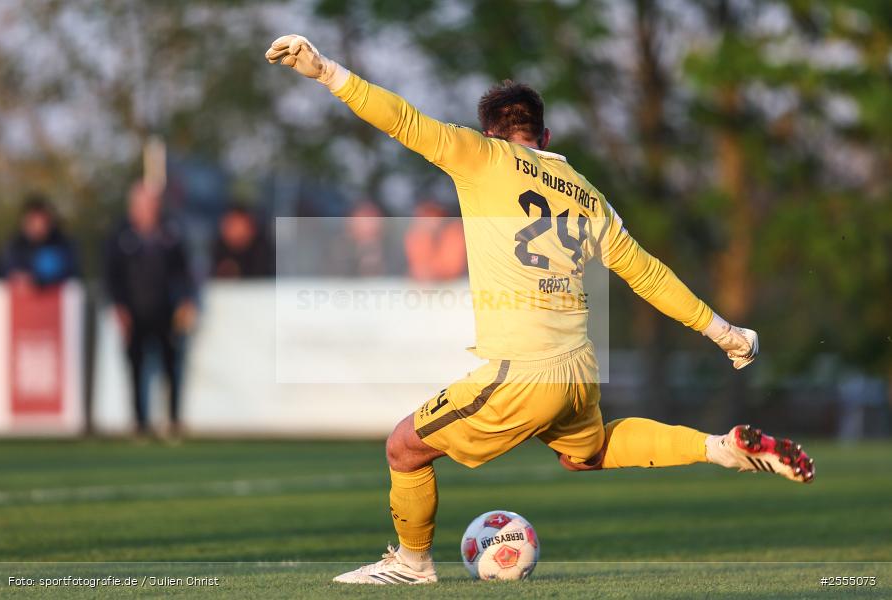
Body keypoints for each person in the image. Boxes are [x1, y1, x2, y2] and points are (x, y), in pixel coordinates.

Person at [266, 35, 815, 585]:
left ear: (490, 133)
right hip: (578, 369)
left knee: (404, 448)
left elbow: (403, 120)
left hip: (523, 371)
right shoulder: (589, 195)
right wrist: (724, 332)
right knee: (586, 453)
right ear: (546, 137)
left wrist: (326, 70)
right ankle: (719, 448)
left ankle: (412, 565)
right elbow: (647, 274)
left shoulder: (482, 157)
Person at [105, 182, 197, 438]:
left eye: (152, 205)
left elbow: (184, 272)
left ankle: (173, 420)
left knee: (171, 366)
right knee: (135, 368)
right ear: (133, 207)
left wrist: (186, 300)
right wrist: (119, 306)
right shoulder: (120, 237)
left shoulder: (171, 234)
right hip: (134, 312)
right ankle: (139, 422)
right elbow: (112, 276)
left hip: (165, 311)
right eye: (143, 205)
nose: (148, 210)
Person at [3, 195, 80, 287]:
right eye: (32, 222)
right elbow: (7, 271)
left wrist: (36, 280)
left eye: (40, 222)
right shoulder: (15, 245)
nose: (37, 227)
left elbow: (70, 272)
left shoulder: (62, 244)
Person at [404, 200, 466, 281]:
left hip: (455, 283)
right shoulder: (416, 235)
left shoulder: (455, 232)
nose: (429, 220)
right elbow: (417, 267)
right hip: (428, 283)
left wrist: (433, 271)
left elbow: (453, 267)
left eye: (433, 215)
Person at [212, 203, 274, 278]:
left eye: (238, 225)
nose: (236, 231)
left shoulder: (262, 248)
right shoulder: (218, 248)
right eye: (232, 225)